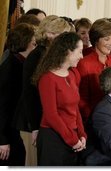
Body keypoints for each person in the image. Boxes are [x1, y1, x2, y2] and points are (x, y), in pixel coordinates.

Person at [14, 15, 72, 165]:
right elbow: (30, 94)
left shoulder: (49, 54)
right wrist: (34, 127)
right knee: (34, 164)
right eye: (61, 35)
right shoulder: (36, 56)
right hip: (32, 122)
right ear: (48, 34)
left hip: (43, 121)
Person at [31, 32, 87, 166]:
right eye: (79, 52)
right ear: (68, 51)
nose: (82, 56)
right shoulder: (47, 78)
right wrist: (72, 140)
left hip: (72, 137)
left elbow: (75, 108)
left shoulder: (73, 74)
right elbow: (51, 116)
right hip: (53, 138)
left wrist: (82, 134)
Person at [0, 23, 36, 166]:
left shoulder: (20, 63)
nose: (35, 47)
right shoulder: (11, 67)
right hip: (6, 134)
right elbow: (2, 106)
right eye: (34, 43)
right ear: (25, 43)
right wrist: (2, 140)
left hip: (11, 129)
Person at [77, 18, 111, 124]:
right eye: (107, 39)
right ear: (96, 39)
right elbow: (81, 98)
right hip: (92, 120)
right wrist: (93, 117)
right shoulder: (84, 63)